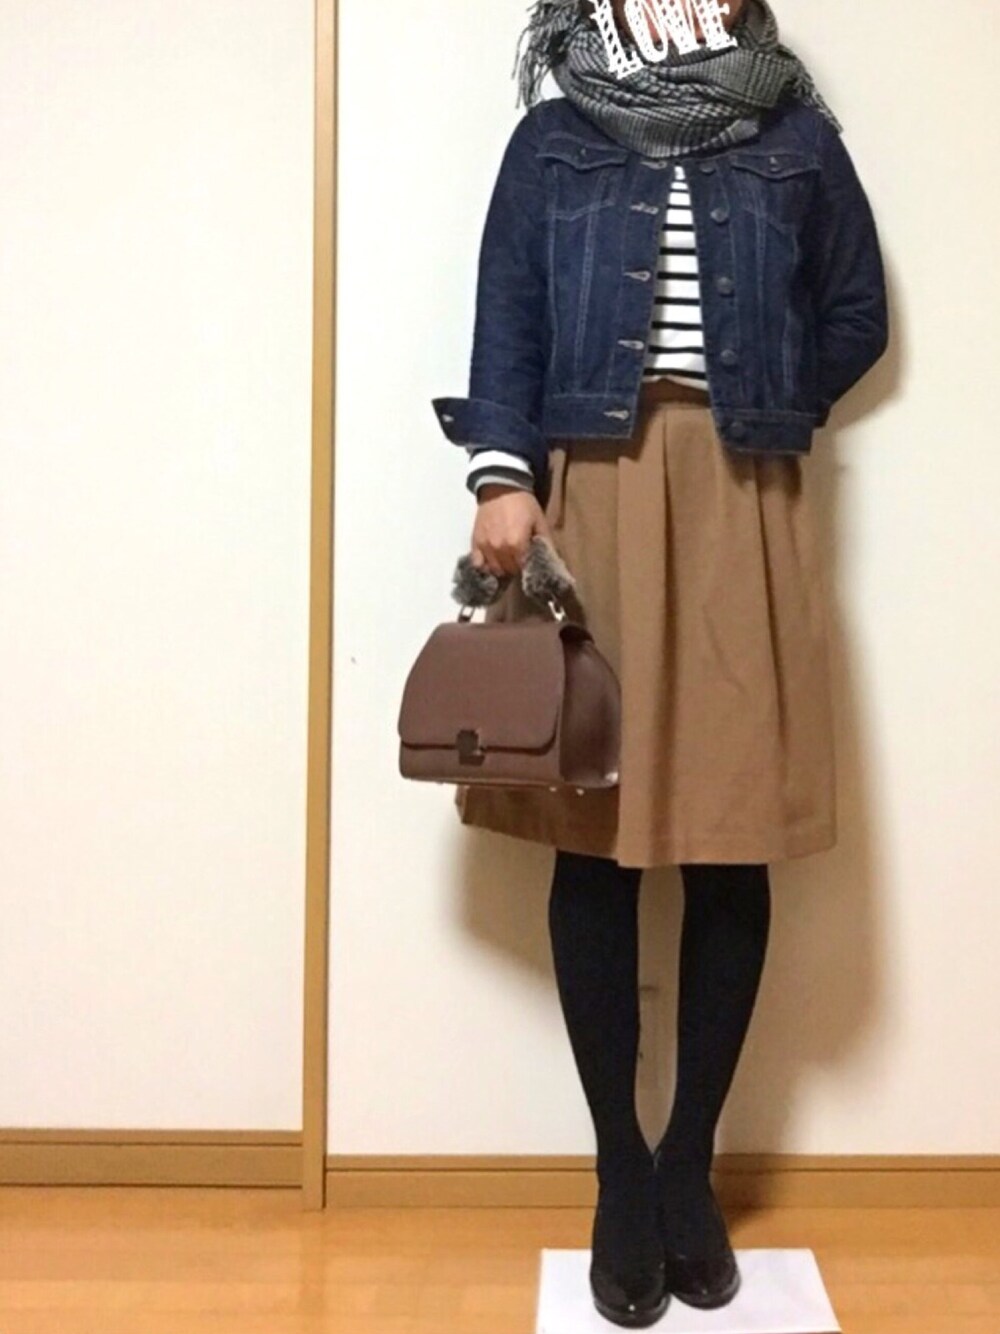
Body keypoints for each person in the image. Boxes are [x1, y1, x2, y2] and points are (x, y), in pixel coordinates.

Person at [430, 0, 888, 1325]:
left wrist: (768, 395)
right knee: (596, 832)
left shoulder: (793, 135)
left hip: (747, 491)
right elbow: (509, 315)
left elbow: (855, 310)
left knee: (732, 839)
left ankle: (689, 1162)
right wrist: (504, 474)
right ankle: (620, 1173)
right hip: (593, 489)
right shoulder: (555, 137)